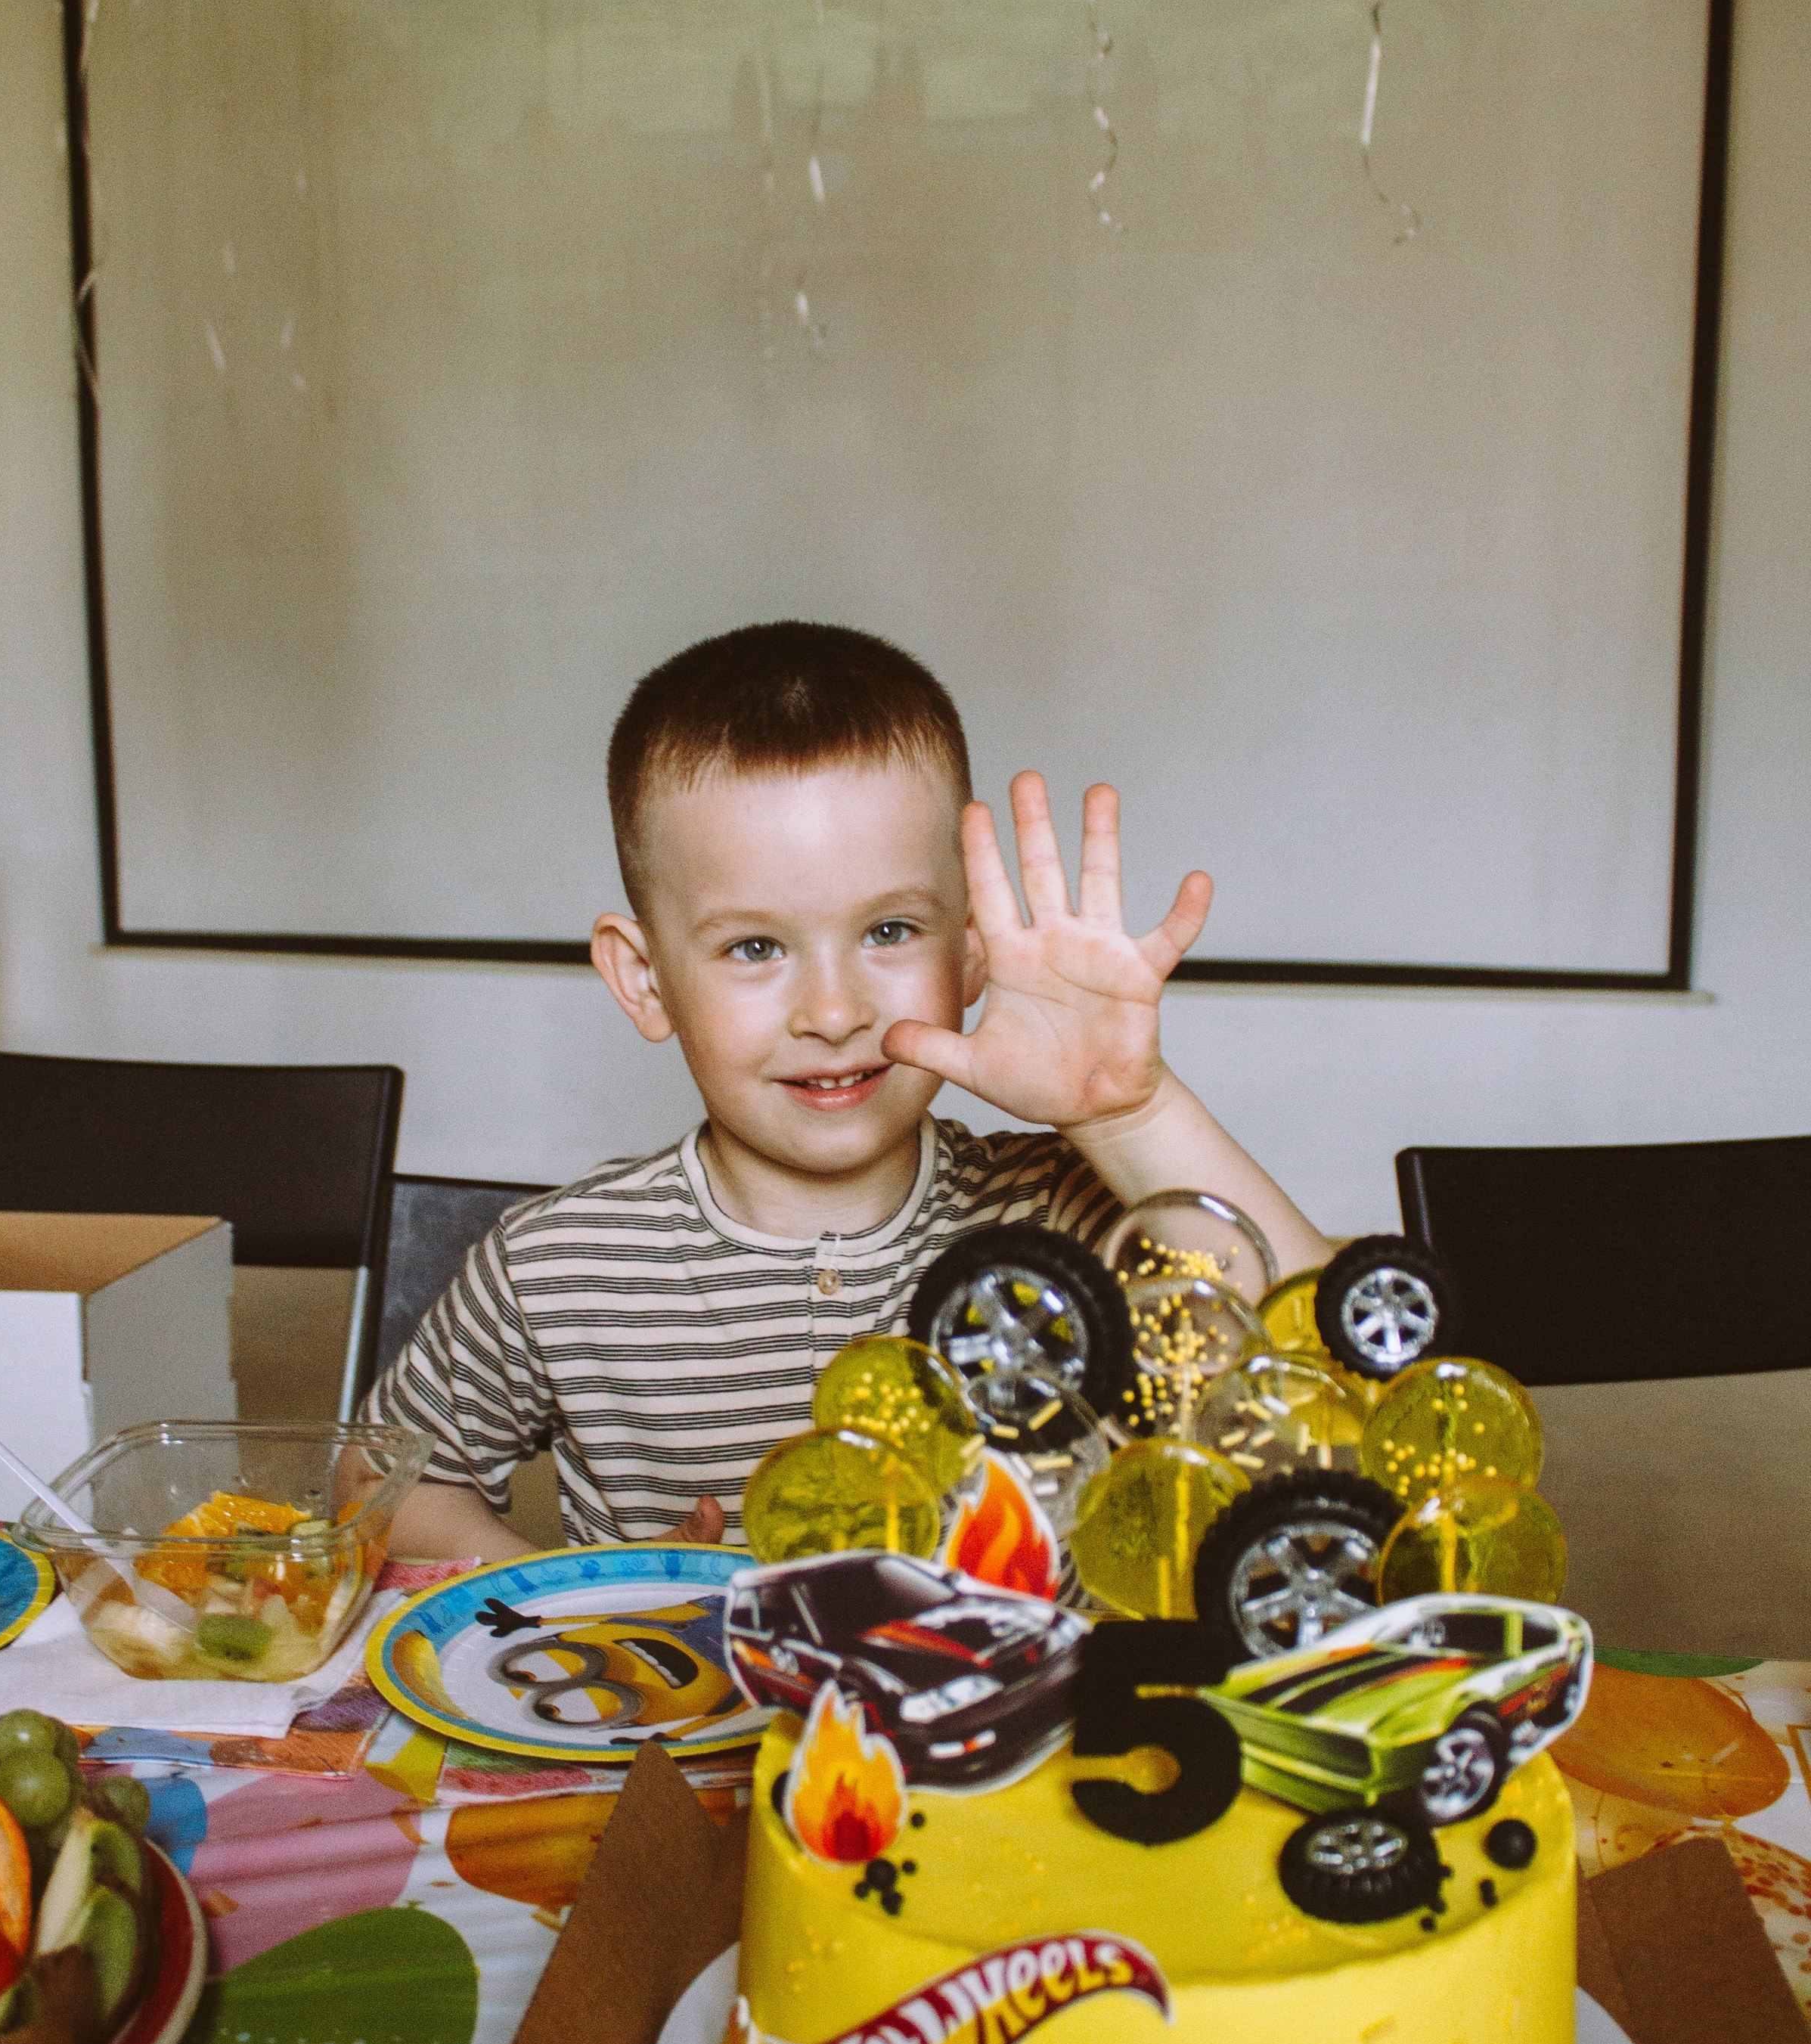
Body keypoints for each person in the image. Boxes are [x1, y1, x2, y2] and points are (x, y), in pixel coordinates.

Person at [367, 622, 1332, 1559]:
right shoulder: (556, 1268)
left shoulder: (1066, 1214)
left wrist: (1131, 1113)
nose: (832, 1011)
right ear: (644, 978)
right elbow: (384, 1482)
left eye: (889, 933)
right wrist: (577, 1587)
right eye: (755, 947)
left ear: (970, 955)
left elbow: (1342, 1369)